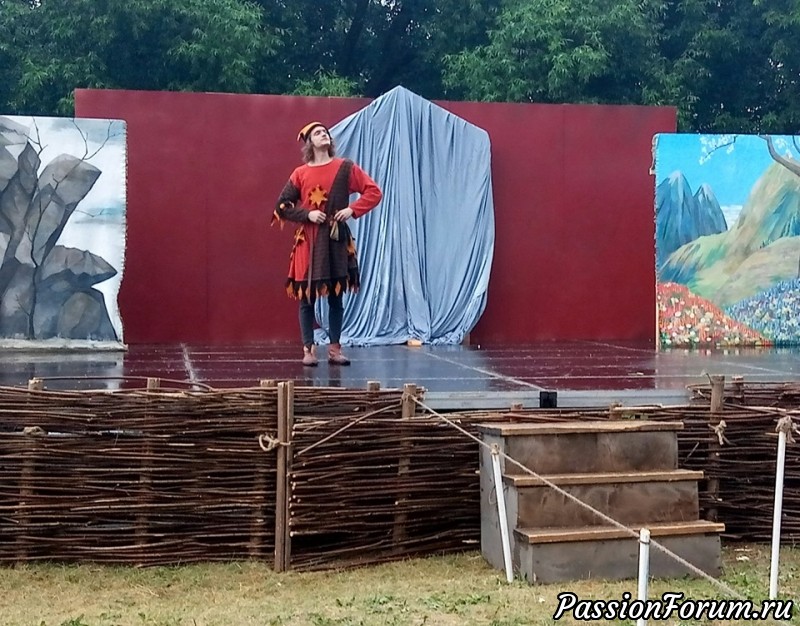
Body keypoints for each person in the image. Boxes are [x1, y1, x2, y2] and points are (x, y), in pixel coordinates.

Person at [272, 121, 382, 366]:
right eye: (317, 133)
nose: (323, 134)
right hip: (308, 241)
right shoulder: (300, 173)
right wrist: (307, 214)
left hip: (335, 239)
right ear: (309, 142)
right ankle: (308, 350)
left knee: (335, 297)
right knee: (307, 297)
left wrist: (352, 210)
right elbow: (282, 207)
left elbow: (374, 192)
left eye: (325, 132)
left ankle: (334, 349)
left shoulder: (345, 167)